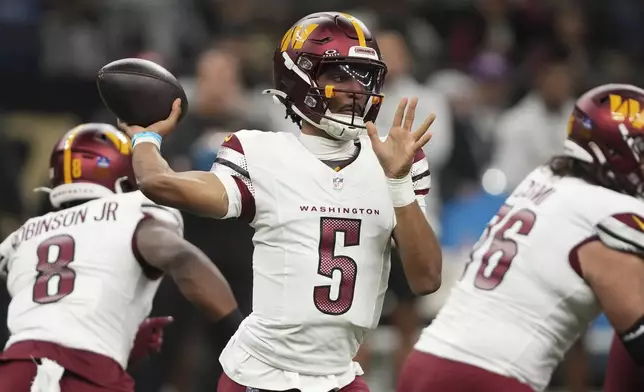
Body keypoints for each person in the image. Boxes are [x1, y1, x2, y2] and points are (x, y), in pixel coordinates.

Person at [118, 11, 442, 392]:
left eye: (364, 76)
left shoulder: (394, 162)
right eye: (339, 74)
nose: (356, 88)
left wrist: (399, 183)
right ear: (300, 77)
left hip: (339, 376)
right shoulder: (261, 153)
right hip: (261, 376)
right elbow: (160, 183)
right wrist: (144, 138)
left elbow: (426, 279)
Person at [397, 83, 644, 392]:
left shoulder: (544, 180)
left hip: (428, 361)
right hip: (488, 378)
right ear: (617, 151)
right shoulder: (609, 210)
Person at [0, 123, 241, 392]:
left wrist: (120, 336)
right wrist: (239, 341)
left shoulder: (24, 236)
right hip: (86, 372)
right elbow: (184, 260)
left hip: (15, 369)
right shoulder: (131, 212)